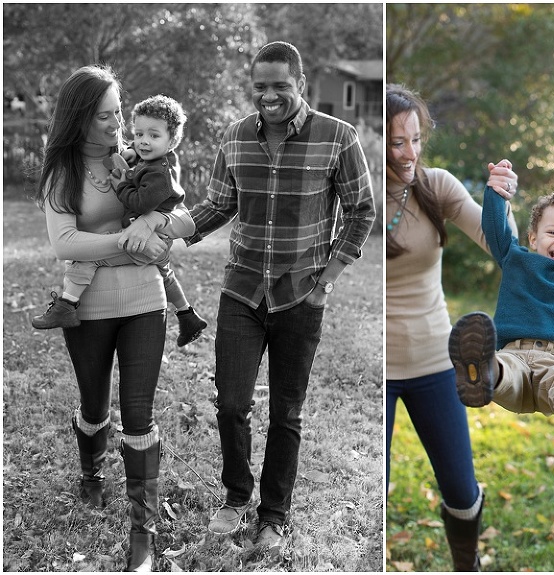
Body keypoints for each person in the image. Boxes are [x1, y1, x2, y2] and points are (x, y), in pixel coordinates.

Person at [183, 41, 375, 561]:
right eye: (260, 87)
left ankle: (273, 516)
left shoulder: (339, 137)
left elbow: (361, 209)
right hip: (241, 290)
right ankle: (236, 495)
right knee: (231, 402)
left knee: (287, 412)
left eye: (279, 86)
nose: (268, 96)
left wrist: (330, 273)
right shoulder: (235, 136)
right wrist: (175, 228)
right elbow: (219, 204)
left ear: (301, 83)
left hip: (300, 295)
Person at [32, 65, 195, 572]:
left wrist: (155, 221)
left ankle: (142, 534)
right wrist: (128, 243)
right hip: (89, 306)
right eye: (105, 116)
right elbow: (64, 243)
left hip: (146, 301)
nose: (117, 124)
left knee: (139, 413)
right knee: (94, 404)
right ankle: (90, 474)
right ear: (81, 118)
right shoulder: (63, 171)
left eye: (119, 112)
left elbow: (186, 223)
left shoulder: (140, 157)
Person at [385, 83, 518, 571]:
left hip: (435, 360)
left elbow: (500, 245)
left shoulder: (436, 185)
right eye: (397, 142)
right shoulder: (358, 193)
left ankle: (468, 563)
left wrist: (500, 199)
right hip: (377, 367)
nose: (410, 153)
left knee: (462, 490)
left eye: (416, 139)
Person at [448, 173, 554, 443]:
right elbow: (495, 228)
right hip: (512, 355)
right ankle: (481, 375)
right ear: (533, 238)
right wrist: (495, 192)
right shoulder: (515, 258)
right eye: (552, 232)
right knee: (502, 371)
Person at [31, 94, 207, 347]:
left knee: (87, 260)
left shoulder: (160, 172)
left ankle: (66, 304)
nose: (143, 141)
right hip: (145, 245)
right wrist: (130, 156)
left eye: (153, 136)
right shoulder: (146, 160)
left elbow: (143, 204)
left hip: (147, 254)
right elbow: (63, 243)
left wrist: (122, 187)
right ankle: (187, 315)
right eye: (139, 134)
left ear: (172, 141)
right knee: (165, 271)